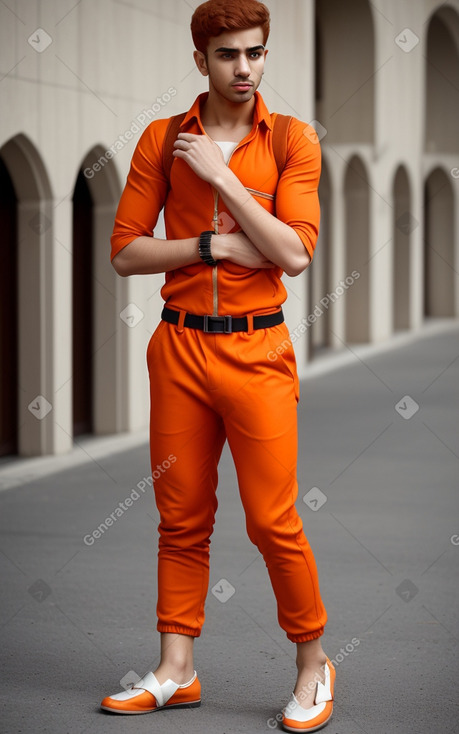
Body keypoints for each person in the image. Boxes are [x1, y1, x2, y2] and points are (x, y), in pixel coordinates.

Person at [100, 0, 335, 730]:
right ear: (200, 59)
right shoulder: (161, 138)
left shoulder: (293, 140)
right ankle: (177, 668)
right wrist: (208, 247)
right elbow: (124, 251)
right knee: (180, 517)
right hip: (178, 349)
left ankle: (312, 664)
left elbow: (294, 253)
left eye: (256, 53)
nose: (244, 68)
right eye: (229, 54)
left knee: (272, 520)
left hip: (257, 350)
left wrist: (224, 177)